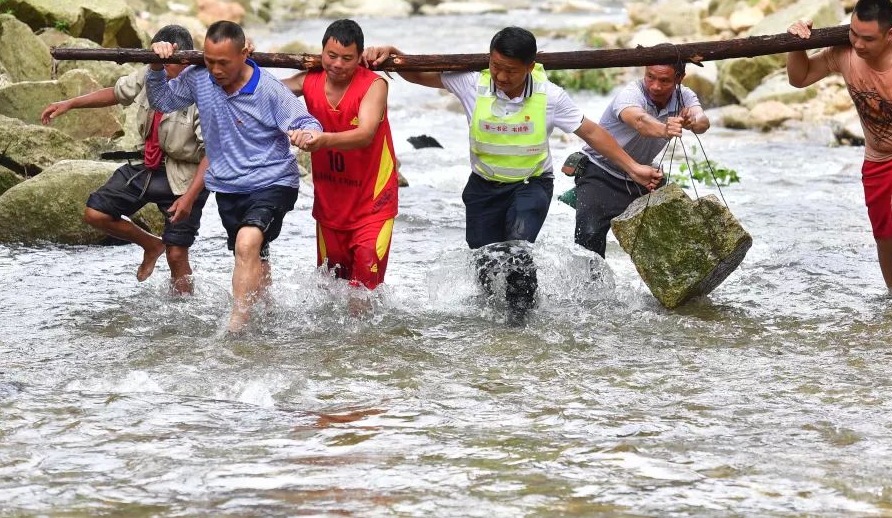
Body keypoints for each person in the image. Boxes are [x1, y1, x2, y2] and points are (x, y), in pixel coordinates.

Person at [363, 26, 662, 320]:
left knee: (518, 248)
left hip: (531, 185)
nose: (502, 77)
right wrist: (396, 55)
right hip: (483, 186)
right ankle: (493, 313)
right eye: (496, 67)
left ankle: (521, 320)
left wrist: (633, 168)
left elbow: (592, 133)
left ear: (530, 67)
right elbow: (420, 75)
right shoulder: (471, 82)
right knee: (484, 257)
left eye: (511, 71)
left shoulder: (550, 96)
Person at [147, 20, 324, 332]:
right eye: (210, 61)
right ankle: (267, 318)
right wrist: (156, 66)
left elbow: (305, 120)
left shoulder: (268, 88)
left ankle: (237, 329)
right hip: (230, 186)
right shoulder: (198, 78)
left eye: (223, 63)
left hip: (273, 181)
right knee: (255, 253)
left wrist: (307, 134)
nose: (215, 70)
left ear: (245, 53)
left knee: (246, 243)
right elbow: (162, 101)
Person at [787, 0, 892, 306]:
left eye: (868, 39)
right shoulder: (845, 51)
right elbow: (800, 77)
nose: (858, 44)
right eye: (853, 34)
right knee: (884, 232)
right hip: (878, 156)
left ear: (889, 35)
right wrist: (797, 43)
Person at [41, 25, 209, 295]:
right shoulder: (153, 71)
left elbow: (212, 155)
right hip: (150, 167)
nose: (163, 69)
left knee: (177, 255)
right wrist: (70, 103)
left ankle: (184, 316)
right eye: (158, 63)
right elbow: (116, 93)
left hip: (187, 178)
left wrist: (188, 199)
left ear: (186, 59)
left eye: (168, 63)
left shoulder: (203, 91)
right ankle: (151, 244)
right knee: (96, 212)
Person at [284, 19, 399, 290]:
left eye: (347, 58)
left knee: (363, 296)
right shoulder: (308, 80)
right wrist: (245, 57)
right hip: (330, 208)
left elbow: (366, 133)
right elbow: (258, 88)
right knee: (332, 294)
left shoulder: (374, 85)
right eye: (331, 56)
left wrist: (323, 140)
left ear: (360, 57)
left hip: (373, 206)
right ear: (321, 52)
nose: (337, 64)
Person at [574, 62, 710, 257]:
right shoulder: (631, 94)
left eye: (664, 80)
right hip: (600, 171)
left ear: (679, 78)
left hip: (644, 177)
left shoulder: (684, 95)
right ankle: (589, 287)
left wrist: (693, 122)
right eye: (650, 77)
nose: (655, 86)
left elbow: (703, 120)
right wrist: (664, 129)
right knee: (588, 240)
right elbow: (639, 120)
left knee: (675, 237)